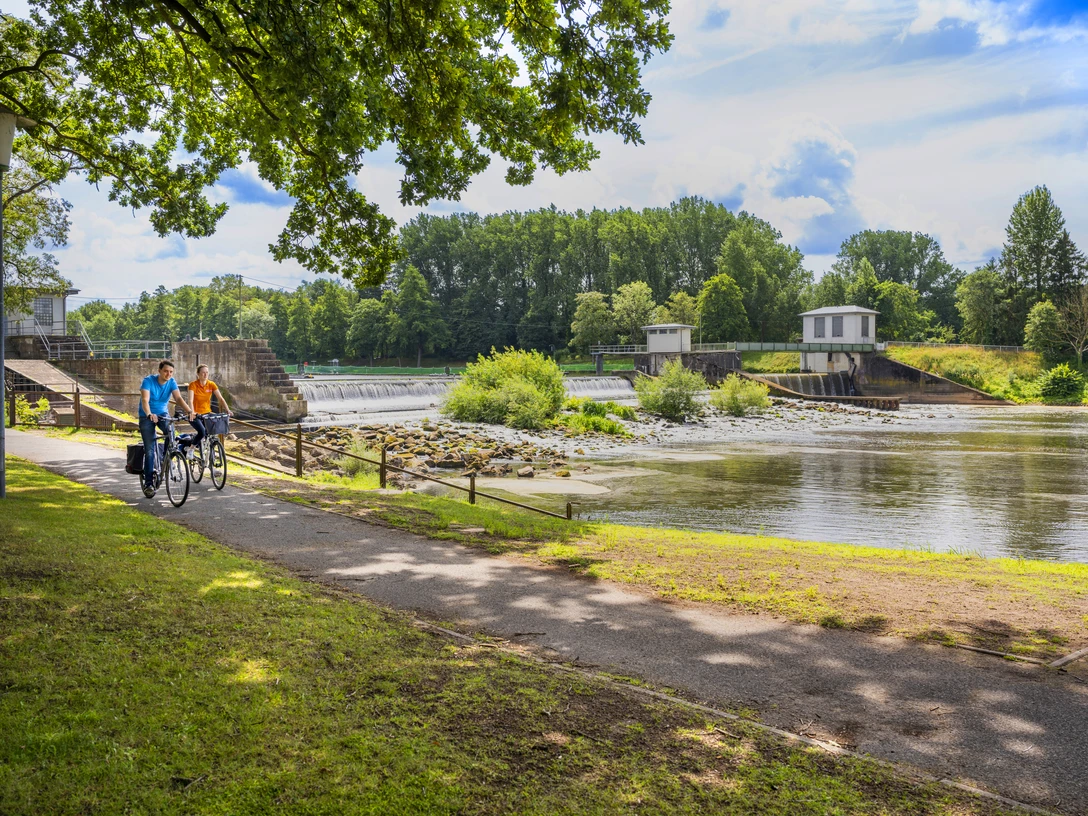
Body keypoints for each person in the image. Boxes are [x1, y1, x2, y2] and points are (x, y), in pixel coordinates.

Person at [139, 360, 195, 498]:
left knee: (171, 435)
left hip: (163, 415)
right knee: (150, 450)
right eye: (165, 371)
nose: (168, 374)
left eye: (171, 372)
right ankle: (148, 484)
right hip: (147, 416)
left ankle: (165, 458)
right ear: (159, 370)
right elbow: (145, 400)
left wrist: (189, 411)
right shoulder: (148, 381)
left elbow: (179, 398)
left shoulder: (171, 382)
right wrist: (149, 414)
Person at [185, 364, 233, 453]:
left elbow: (220, 398)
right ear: (198, 374)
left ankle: (209, 455)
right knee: (202, 432)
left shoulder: (211, 384)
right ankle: (191, 449)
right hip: (195, 414)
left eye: (207, 372)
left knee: (213, 431)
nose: (205, 374)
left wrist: (227, 409)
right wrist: (192, 412)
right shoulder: (193, 385)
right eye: (203, 373)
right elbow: (190, 400)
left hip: (207, 413)